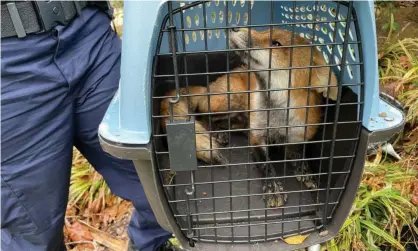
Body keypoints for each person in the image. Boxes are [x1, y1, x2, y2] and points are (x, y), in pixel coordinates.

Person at [1, 1, 179, 250]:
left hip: (88, 32)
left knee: (169, 176)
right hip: (8, 67)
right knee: (33, 233)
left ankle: (151, 246)